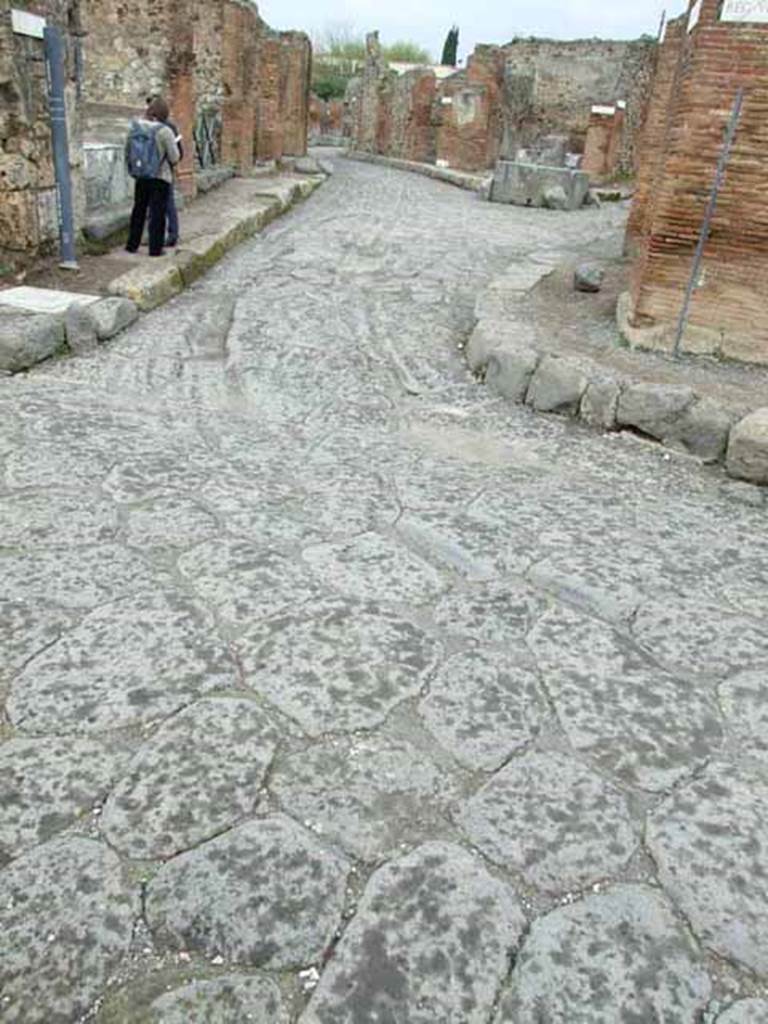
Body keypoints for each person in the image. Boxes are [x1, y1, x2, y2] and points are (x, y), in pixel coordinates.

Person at [125, 96, 180, 257]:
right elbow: (174, 157)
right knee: (157, 213)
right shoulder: (165, 131)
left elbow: (128, 150)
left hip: (141, 175)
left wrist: (132, 168)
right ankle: (155, 249)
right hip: (160, 176)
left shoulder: (135, 127)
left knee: (138, 210)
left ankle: (132, 244)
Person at [146, 94, 183, 247]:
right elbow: (176, 155)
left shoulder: (143, 127)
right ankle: (171, 235)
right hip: (163, 173)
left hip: (146, 173)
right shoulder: (169, 128)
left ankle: (152, 236)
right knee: (168, 204)